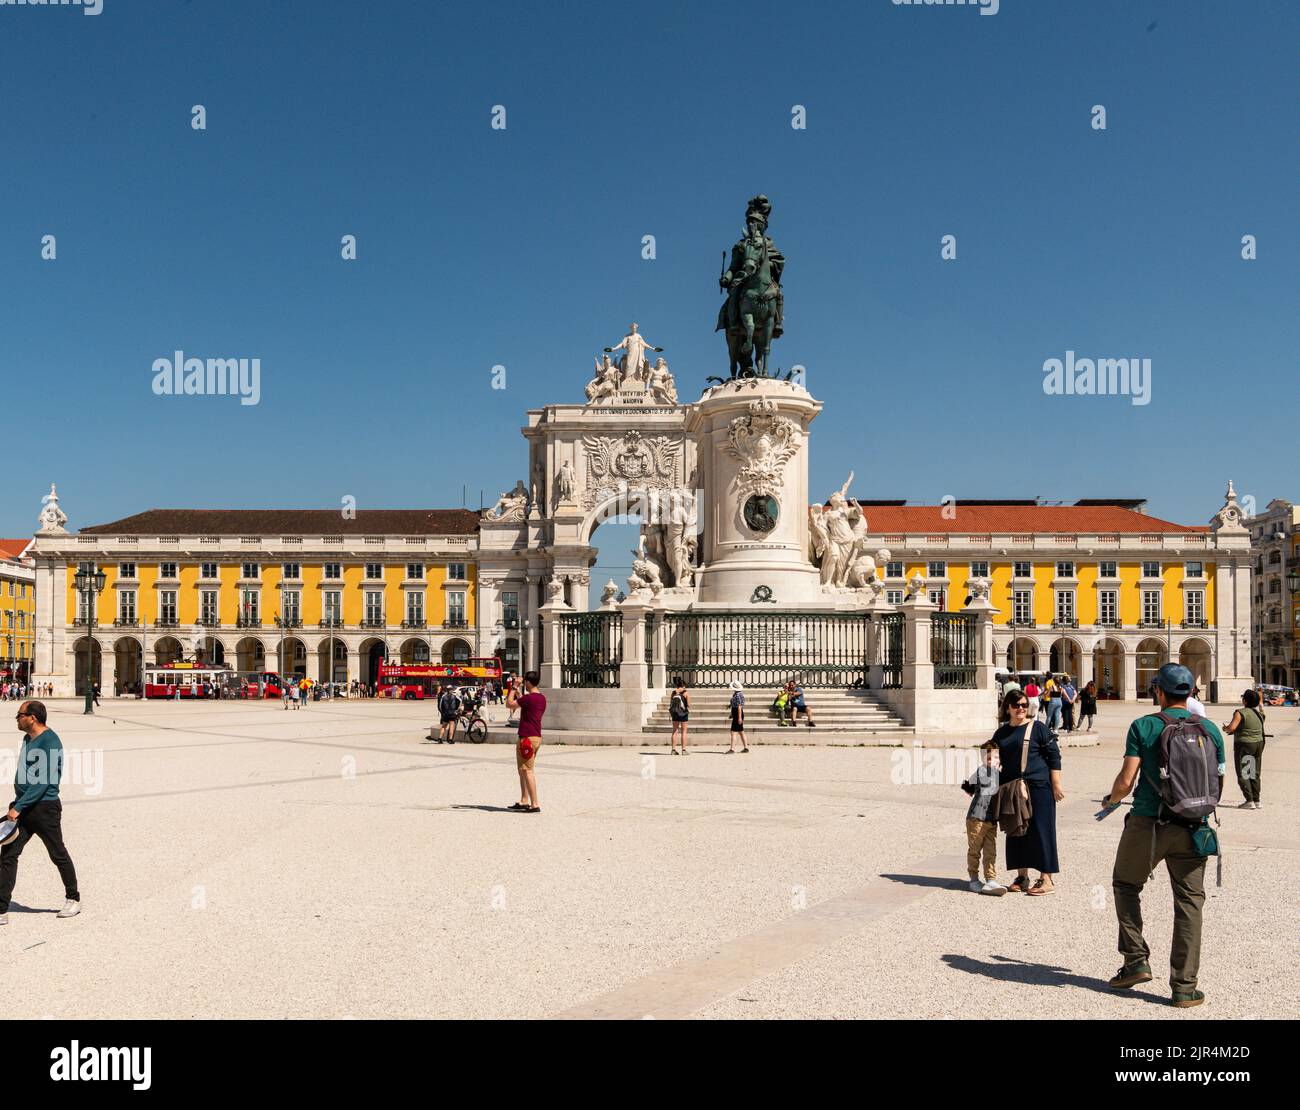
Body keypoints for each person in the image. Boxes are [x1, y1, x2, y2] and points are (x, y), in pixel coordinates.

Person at [1101, 663, 1225, 1008]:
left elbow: (1126, 781)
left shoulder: (1143, 726)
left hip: (1148, 822)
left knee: (1126, 885)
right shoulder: (1211, 730)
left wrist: (1110, 801)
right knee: (1189, 904)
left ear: (1158, 691)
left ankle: (1136, 960)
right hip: (1194, 826)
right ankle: (1184, 987)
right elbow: (1218, 784)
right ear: (1191, 693)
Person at [0, 701, 81, 926]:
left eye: (20, 715)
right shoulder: (28, 738)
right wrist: (17, 803)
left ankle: (73, 898)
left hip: (44, 808)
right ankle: (1, 908)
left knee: (57, 853)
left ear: (32, 717)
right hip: (24, 806)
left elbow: (43, 782)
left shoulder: (51, 741)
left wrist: (18, 807)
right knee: (8, 853)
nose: (17, 718)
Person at [991, 689, 1063, 895]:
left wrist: (1056, 784)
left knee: (1042, 830)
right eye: (1016, 705)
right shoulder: (1001, 733)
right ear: (1008, 708)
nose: (1021, 708)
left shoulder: (1038, 728)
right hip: (1012, 788)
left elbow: (1054, 756)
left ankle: (1046, 878)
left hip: (1039, 787)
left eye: (1024, 705)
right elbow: (993, 762)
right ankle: (1022, 876)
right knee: (1016, 830)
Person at [962, 740, 1007, 896]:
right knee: (975, 850)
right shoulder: (983, 772)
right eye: (989, 758)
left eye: (996, 758)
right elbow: (969, 786)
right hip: (976, 818)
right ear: (983, 760)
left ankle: (990, 879)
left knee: (990, 850)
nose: (993, 761)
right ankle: (974, 879)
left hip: (991, 820)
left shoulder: (998, 774)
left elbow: (967, 788)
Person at [506, 671, 545, 813]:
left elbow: (509, 704)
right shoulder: (541, 698)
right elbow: (525, 703)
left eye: (524, 682)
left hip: (527, 738)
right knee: (522, 769)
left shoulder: (529, 699)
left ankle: (534, 804)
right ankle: (524, 800)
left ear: (527, 682)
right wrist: (519, 694)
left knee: (527, 771)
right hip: (536, 737)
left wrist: (514, 687)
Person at [1224, 689, 1265, 809]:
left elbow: (1232, 728)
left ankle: (1249, 800)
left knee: (1244, 772)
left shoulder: (1240, 712)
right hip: (1258, 744)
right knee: (1254, 771)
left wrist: (1225, 728)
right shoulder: (1259, 714)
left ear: (1245, 700)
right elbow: (1262, 710)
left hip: (1244, 745)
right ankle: (1257, 800)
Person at [668, 677, 690, 754]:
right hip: (683, 713)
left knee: (675, 731)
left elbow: (671, 703)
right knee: (684, 731)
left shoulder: (673, 692)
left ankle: (673, 749)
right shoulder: (685, 692)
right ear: (683, 685)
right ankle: (683, 750)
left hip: (675, 713)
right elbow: (689, 704)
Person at [726, 680, 748, 754]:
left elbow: (739, 707)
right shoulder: (738, 694)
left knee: (733, 732)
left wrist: (739, 717)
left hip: (738, 714)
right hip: (737, 713)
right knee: (741, 731)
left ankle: (732, 749)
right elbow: (735, 706)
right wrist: (732, 714)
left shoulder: (737, 695)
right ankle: (746, 747)